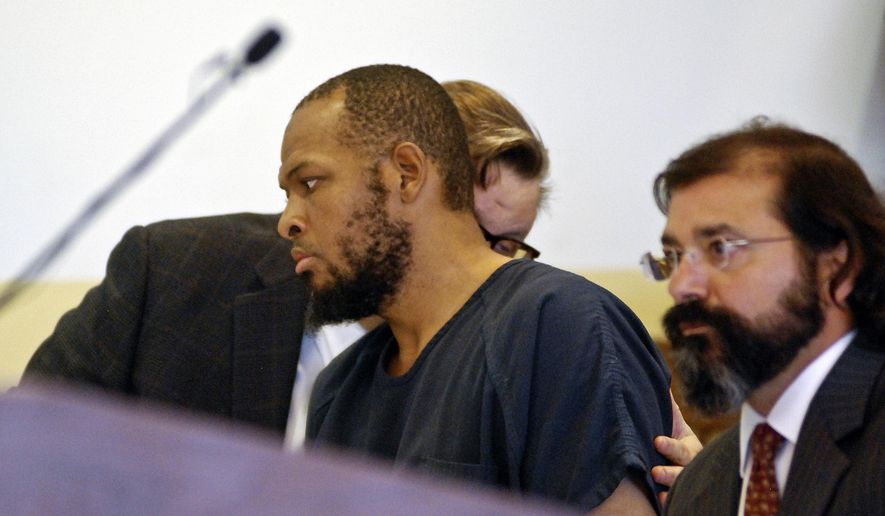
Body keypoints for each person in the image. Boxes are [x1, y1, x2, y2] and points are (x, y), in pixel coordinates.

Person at [281, 63, 671, 513]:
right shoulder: (339, 388)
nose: (287, 220)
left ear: (408, 174)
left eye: (310, 183)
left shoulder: (559, 321)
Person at [641, 118, 885, 515]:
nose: (680, 286)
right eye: (673, 257)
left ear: (836, 267)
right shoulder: (700, 486)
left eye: (721, 247)